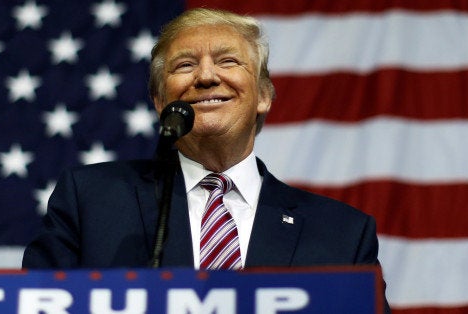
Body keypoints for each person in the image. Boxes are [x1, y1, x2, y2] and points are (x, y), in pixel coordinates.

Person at [23, 7, 390, 312]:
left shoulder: (342, 234)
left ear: (264, 95)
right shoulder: (91, 200)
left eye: (228, 61)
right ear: (160, 102)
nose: (206, 76)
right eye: (184, 65)